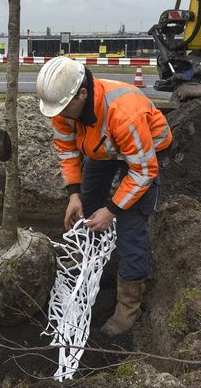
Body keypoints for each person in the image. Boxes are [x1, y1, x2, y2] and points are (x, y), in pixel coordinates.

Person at [36, 56, 172, 337]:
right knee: (87, 202)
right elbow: (67, 150)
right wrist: (74, 194)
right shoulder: (64, 109)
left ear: (82, 93)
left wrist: (111, 209)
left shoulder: (124, 114)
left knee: (131, 225)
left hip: (143, 154)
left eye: (63, 108)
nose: (58, 115)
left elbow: (143, 172)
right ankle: (91, 260)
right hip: (104, 145)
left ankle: (128, 306)